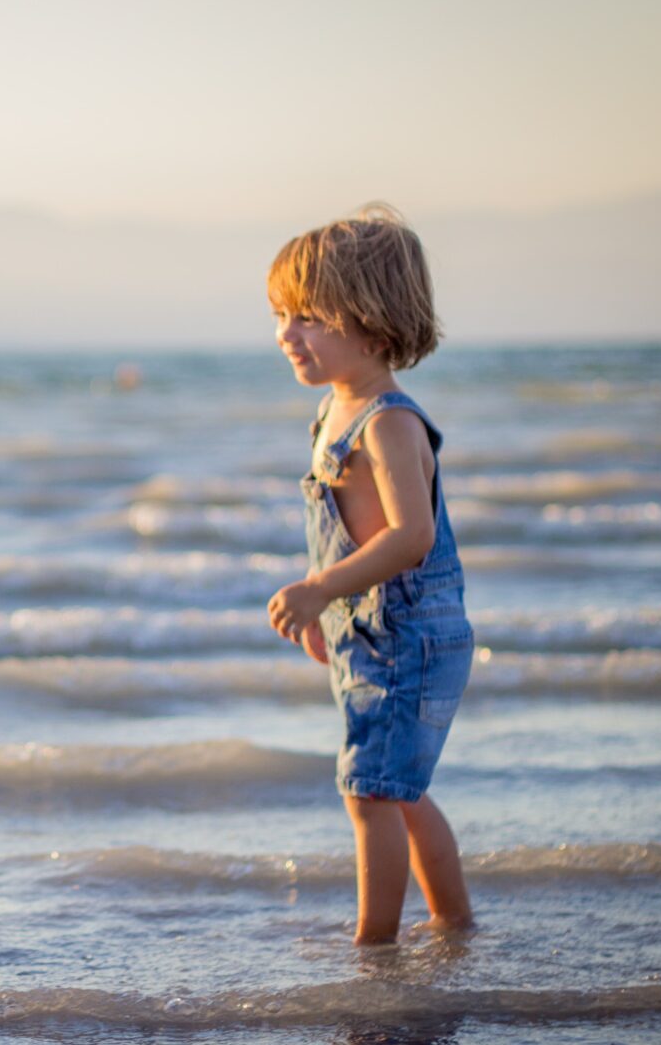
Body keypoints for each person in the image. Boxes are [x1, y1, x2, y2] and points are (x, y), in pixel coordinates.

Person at [262, 205, 476, 945]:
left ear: (374, 326)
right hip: (372, 631)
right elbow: (344, 536)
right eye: (282, 315)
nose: (287, 333)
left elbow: (411, 537)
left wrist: (323, 590)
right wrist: (329, 609)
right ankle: (453, 926)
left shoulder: (387, 422)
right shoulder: (331, 412)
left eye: (310, 317)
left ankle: (374, 947)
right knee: (399, 792)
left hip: (409, 634)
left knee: (371, 794)